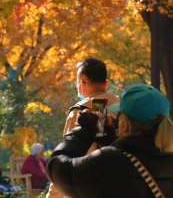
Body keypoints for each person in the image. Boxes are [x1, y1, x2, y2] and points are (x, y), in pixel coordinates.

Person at [47, 84, 173, 198]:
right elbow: (140, 159)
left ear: (124, 124)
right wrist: (113, 140)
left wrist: (84, 131)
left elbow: (56, 168)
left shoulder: (109, 161)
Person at [47, 58, 119, 198]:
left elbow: (66, 158)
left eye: (77, 81)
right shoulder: (124, 108)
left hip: (86, 187)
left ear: (84, 81)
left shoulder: (81, 111)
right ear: (105, 83)